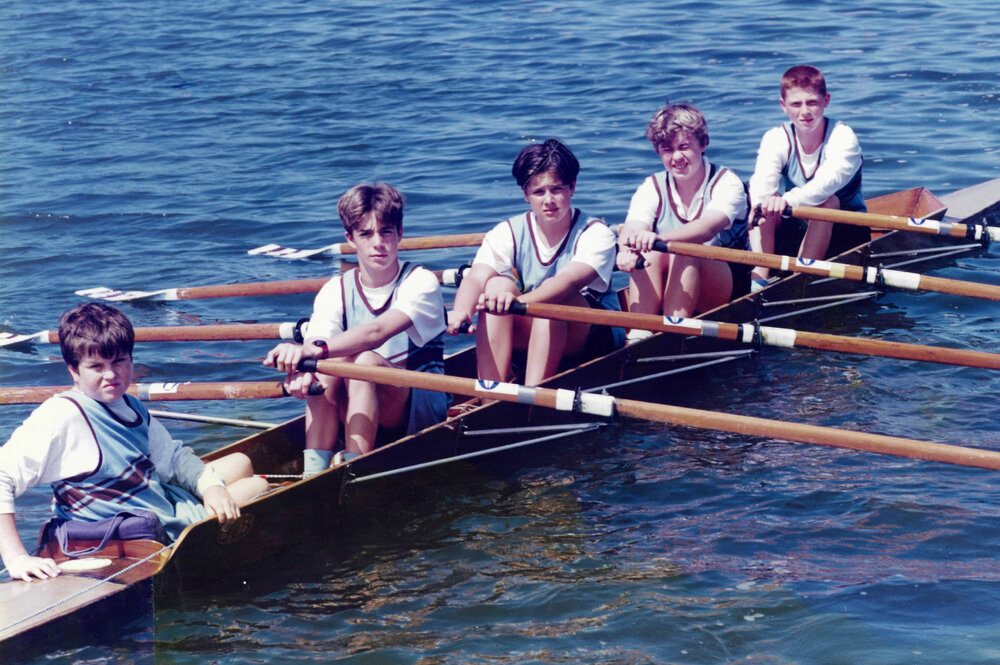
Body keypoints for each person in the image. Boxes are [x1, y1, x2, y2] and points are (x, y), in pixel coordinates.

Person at [0, 303, 268, 582]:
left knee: (241, 462)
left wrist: (212, 488)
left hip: (149, 505)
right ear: (73, 371)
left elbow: (174, 458)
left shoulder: (129, 404)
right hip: (132, 534)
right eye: (96, 366)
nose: (111, 375)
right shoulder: (62, 415)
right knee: (258, 486)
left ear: (131, 358)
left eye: (119, 361)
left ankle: (209, 500)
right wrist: (16, 558)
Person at [265, 183, 448, 476]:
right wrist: (302, 368)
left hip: (421, 405)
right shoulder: (334, 289)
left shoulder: (421, 281)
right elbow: (317, 344)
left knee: (362, 361)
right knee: (325, 368)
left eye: (386, 232)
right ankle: (314, 474)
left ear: (400, 233)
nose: (378, 243)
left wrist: (313, 352)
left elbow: (377, 331)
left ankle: (355, 472)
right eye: (366, 234)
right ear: (350, 238)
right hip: (361, 394)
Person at [446, 138, 623, 386]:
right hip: (537, 326)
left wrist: (517, 303)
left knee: (552, 299)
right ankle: (491, 394)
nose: (548, 200)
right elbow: (476, 277)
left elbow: (568, 282)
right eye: (539, 192)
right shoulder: (506, 232)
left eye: (556, 189)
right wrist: (461, 311)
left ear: (572, 187)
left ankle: (533, 396)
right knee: (496, 286)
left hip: (593, 336)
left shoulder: (596, 233)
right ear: (525, 194)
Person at [616, 103, 750, 339]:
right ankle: (640, 333)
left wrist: (658, 238)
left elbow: (707, 228)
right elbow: (633, 228)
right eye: (667, 150)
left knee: (684, 248)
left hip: (729, 286)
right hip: (679, 280)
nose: (676, 157)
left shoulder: (727, 182)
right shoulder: (652, 186)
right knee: (645, 249)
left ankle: (672, 334)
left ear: (703, 143)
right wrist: (627, 250)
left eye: (684, 147)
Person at [747, 64, 867, 290]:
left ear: (826, 100)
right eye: (796, 104)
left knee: (827, 201)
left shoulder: (843, 137)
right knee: (763, 201)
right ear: (783, 105)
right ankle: (760, 276)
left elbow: (822, 187)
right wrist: (762, 203)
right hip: (799, 227)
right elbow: (762, 182)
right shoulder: (776, 137)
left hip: (847, 232)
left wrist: (785, 201)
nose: (805, 112)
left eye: (812, 102)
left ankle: (801, 279)